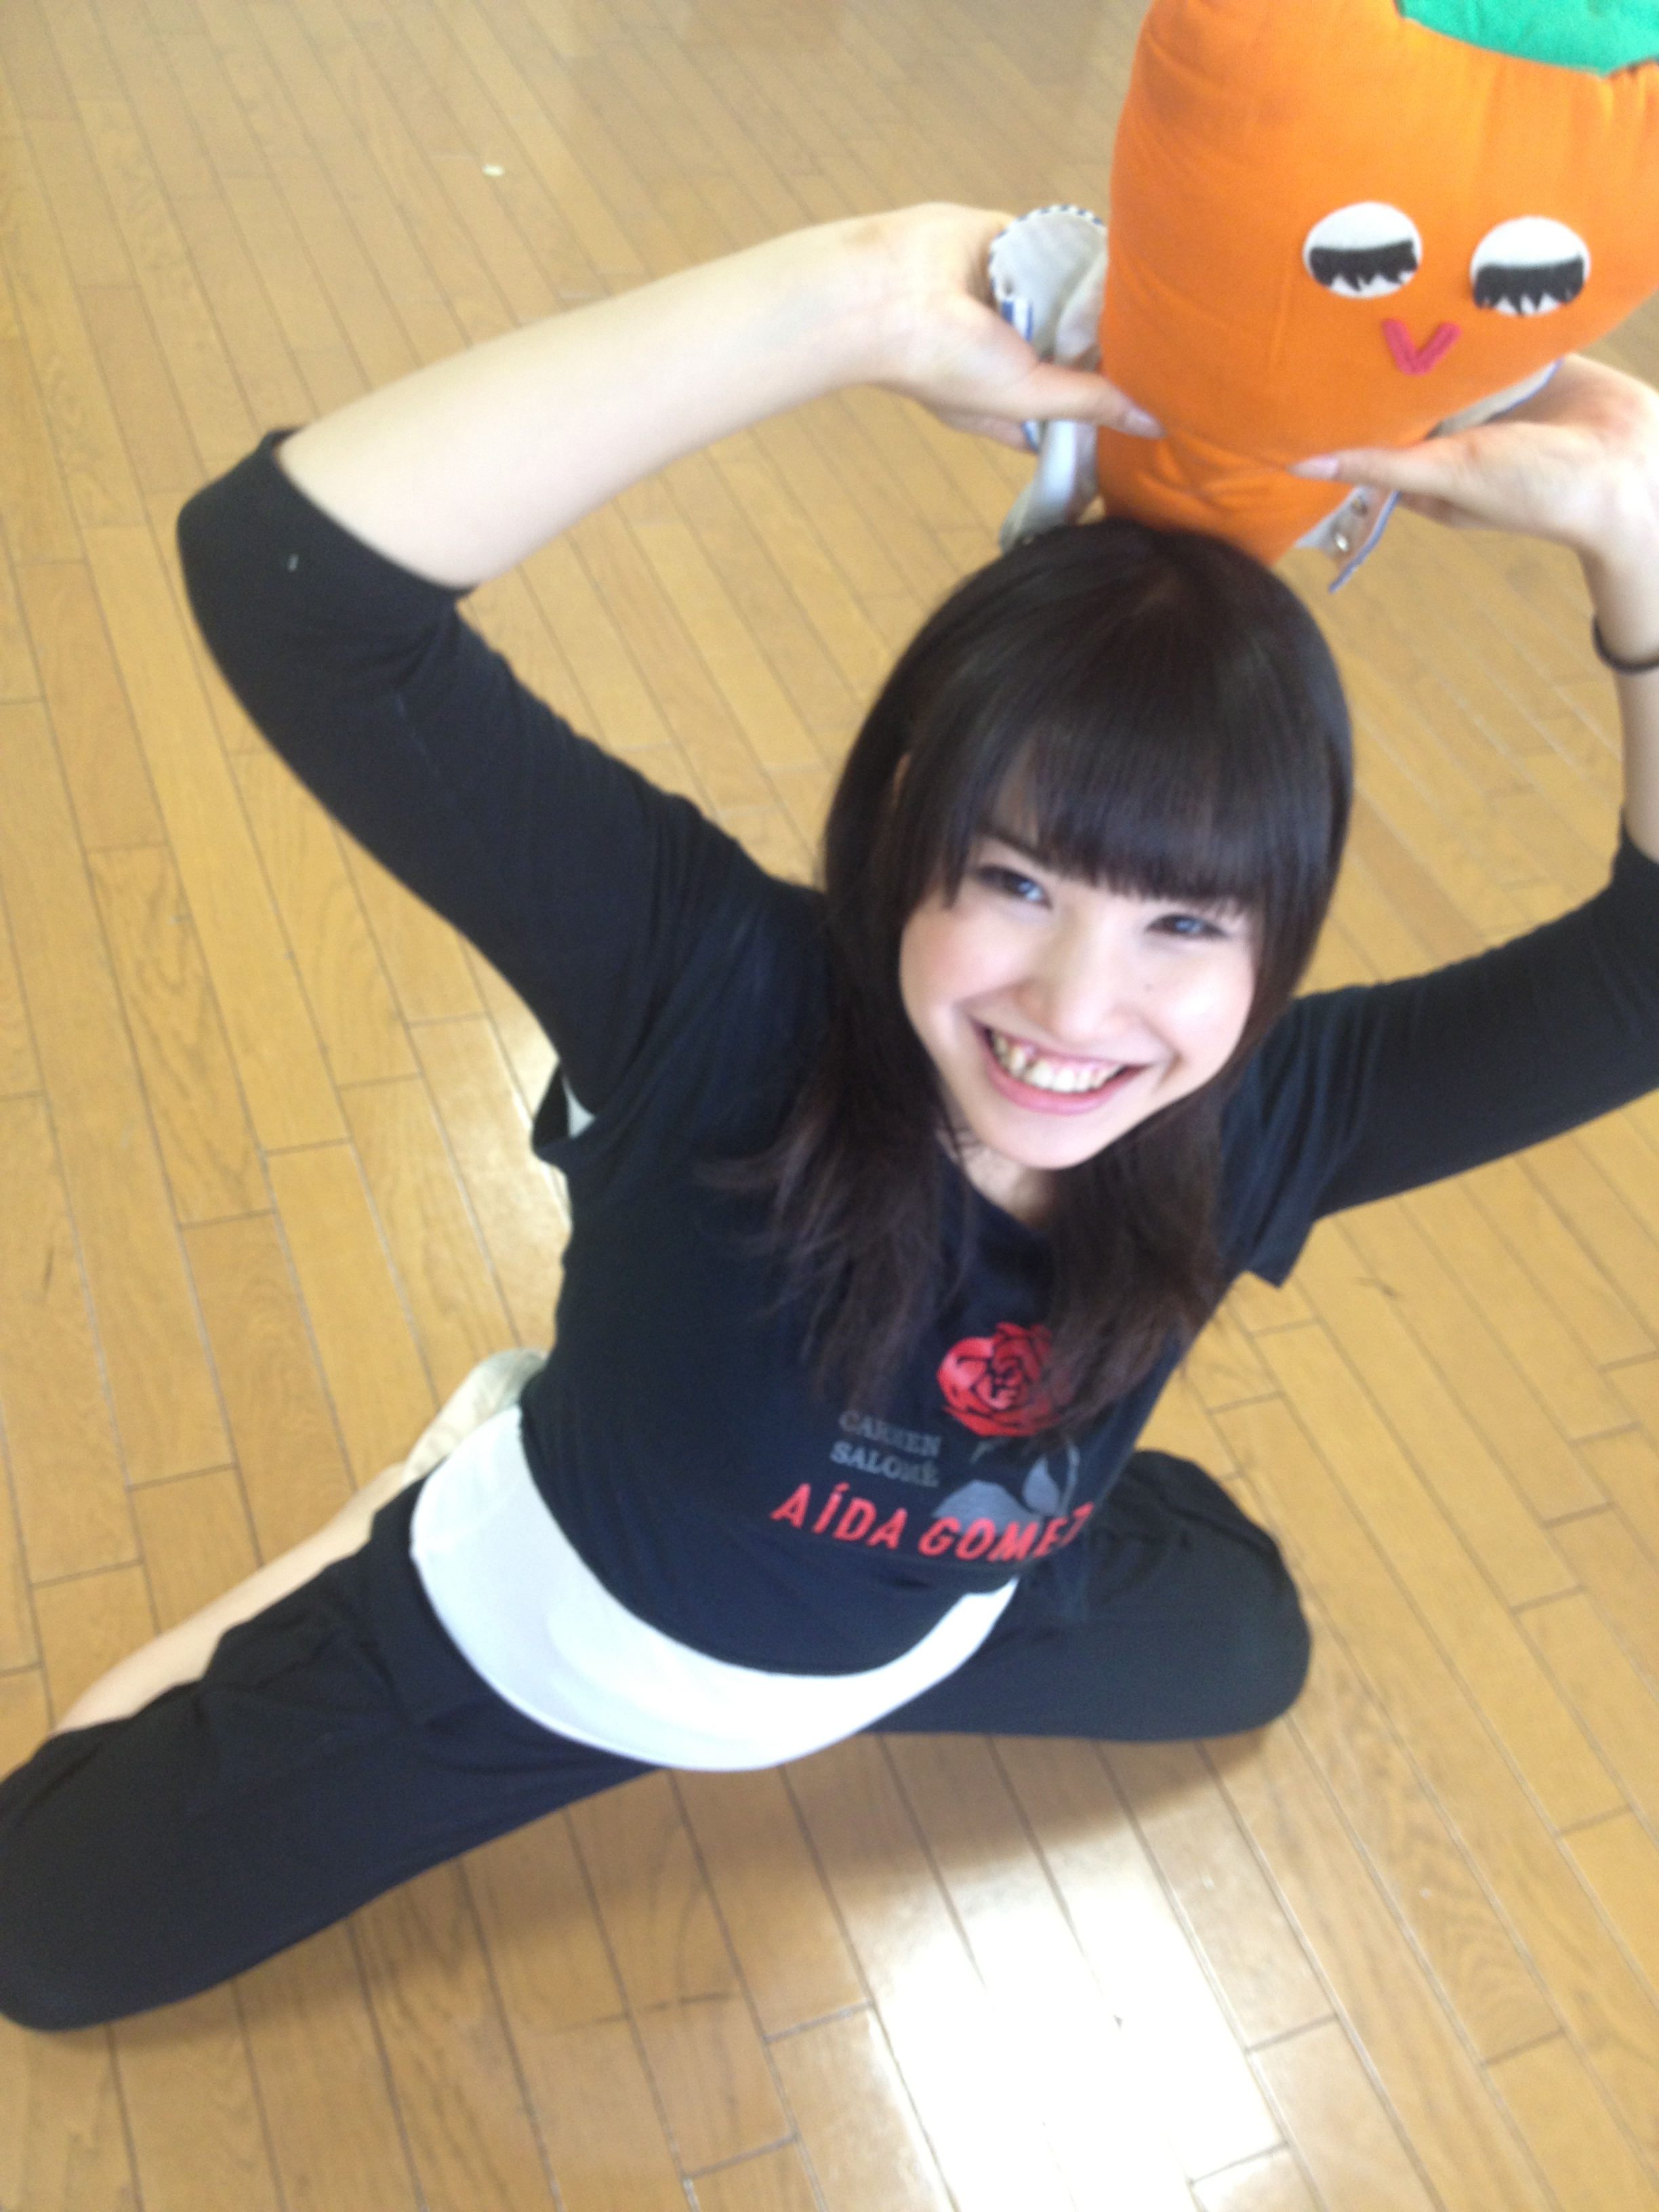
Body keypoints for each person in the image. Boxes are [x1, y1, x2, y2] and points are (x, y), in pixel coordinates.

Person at [1, 206, 1656, 2034]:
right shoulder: (717, 992)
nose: (1076, 1011)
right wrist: (853, 301)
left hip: (930, 1614)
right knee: (44, 1927)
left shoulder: (1270, 1115)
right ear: (903, 830)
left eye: (1186, 925)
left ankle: (946, 1569)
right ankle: (436, 1487)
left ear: (1276, 939)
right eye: (1016, 882)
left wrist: (1641, 538)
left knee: (1246, 1635)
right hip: (554, 1635)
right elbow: (293, 583)